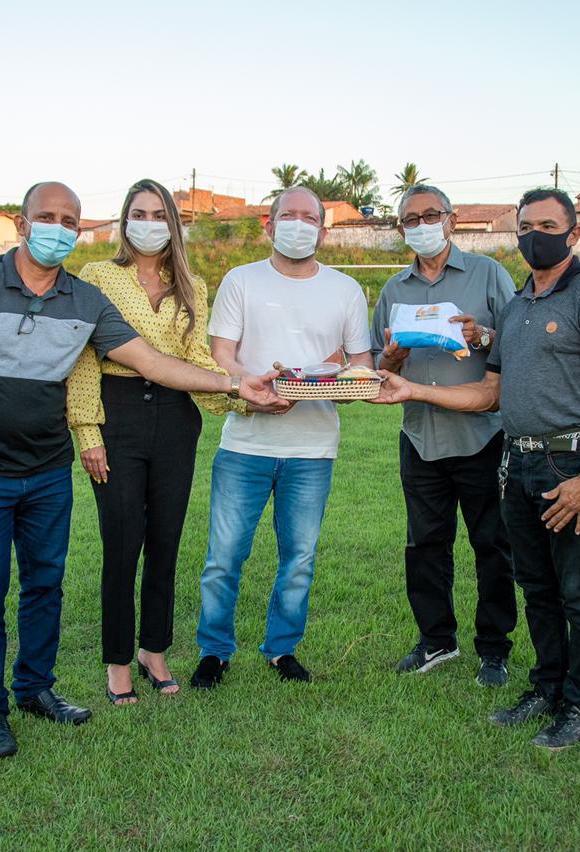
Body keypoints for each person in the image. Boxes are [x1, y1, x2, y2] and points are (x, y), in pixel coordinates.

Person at [0, 181, 279, 758]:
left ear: (81, 228)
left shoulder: (83, 300)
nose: (58, 228)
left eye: (69, 220)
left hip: (48, 466)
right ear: (23, 221)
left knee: (44, 586)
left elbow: (157, 361)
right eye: (47, 217)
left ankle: (35, 689)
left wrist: (237, 385)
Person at [374, 187, 580, 750]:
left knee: (576, 592)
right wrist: (412, 387)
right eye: (525, 226)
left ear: (575, 233)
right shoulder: (518, 307)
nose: (534, 236)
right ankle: (545, 686)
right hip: (516, 461)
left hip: (568, 462)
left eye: (547, 224)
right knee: (536, 585)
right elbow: (489, 392)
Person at [66, 179, 244, 706]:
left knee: (165, 542)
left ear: (174, 222)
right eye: (139, 213)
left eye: (159, 213)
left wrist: (245, 395)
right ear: (124, 221)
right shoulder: (96, 276)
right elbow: (81, 360)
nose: (149, 222)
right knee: (122, 544)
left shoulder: (192, 284)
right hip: (116, 415)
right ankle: (118, 662)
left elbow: (197, 364)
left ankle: (154, 651)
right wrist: (88, 430)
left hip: (174, 419)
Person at [190, 186, 373, 689]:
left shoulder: (345, 290)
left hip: (313, 448)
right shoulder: (241, 280)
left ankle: (281, 649)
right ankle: (214, 650)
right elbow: (221, 355)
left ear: (323, 228)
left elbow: (361, 365)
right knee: (224, 555)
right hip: (245, 444)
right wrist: (251, 389)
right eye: (287, 216)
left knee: (299, 558)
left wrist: (330, 379)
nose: (298, 224)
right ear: (267, 226)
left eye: (308, 217)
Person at [370, 184, 518, 686]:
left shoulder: (488, 274)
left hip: (482, 435)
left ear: (451, 220)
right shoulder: (394, 291)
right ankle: (436, 640)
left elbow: (517, 339)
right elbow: (378, 360)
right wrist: (389, 360)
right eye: (410, 219)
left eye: (430, 215)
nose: (421, 225)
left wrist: (485, 336)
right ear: (402, 230)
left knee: (492, 544)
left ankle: (494, 648)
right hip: (420, 436)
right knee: (425, 544)